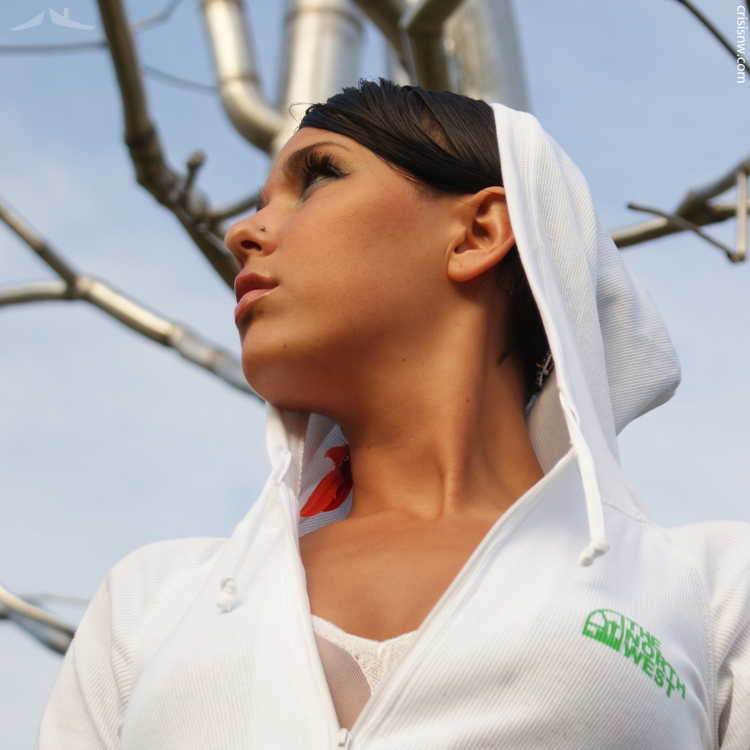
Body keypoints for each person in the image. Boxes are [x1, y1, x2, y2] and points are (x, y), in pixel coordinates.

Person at [37, 79, 750, 750]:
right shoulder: (151, 603)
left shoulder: (711, 590)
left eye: (317, 177)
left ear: (477, 233)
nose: (241, 233)